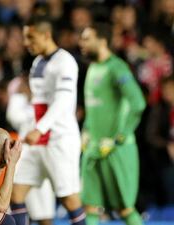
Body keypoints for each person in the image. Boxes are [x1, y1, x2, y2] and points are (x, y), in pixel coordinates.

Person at [10, 15, 85, 225]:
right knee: (16, 192)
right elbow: (39, 102)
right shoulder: (37, 62)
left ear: (46, 35)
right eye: (25, 38)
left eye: (31, 38)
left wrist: (40, 128)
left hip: (59, 139)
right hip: (37, 141)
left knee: (69, 199)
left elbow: (63, 100)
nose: (27, 43)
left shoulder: (65, 61)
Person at [79, 23, 146, 225]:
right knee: (89, 206)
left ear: (102, 41)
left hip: (116, 150)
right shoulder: (92, 68)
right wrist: (86, 131)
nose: (81, 43)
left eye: (86, 38)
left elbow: (138, 103)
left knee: (124, 209)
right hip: (94, 148)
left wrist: (120, 137)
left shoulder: (117, 67)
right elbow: (93, 107)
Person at [6, 76, 56, 225]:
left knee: (44, 207)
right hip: (23, 154)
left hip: (45, 151)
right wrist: (21, 97)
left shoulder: (51, 99)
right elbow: (14, 118)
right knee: (16, 199)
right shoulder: (20, 100)